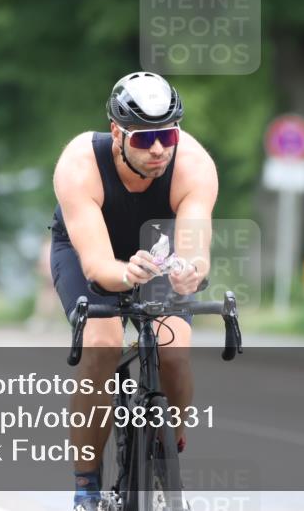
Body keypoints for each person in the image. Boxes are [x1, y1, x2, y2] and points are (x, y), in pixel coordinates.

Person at [50, 72, 218, 511]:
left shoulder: (194, 165)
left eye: (168, 135)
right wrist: (126, 275)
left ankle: (167, 446)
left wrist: (191, 273)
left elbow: (195, 249)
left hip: (158, 250)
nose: (159, 149)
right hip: (89, 250)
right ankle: (86, 486)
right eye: (144, 139)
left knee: (174, 352)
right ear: (116, 132)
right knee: (102, 345)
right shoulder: (79, 164)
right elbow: (99, 268)